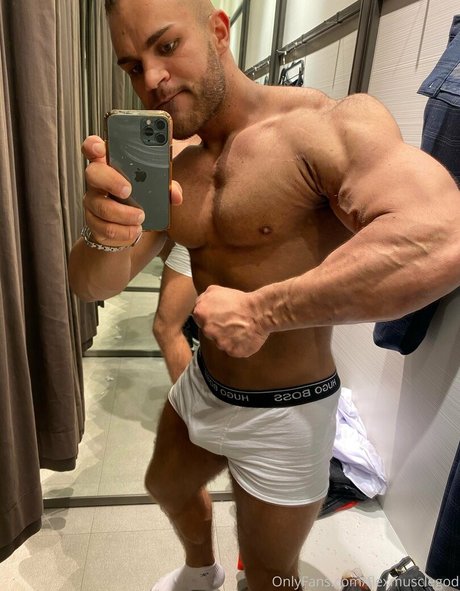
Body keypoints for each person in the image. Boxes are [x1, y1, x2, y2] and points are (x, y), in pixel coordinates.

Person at [68, 1, 460, 590]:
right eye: (132, 65)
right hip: (203, 384)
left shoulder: (324, 127)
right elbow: (93, 284)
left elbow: (441, 235)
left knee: (271, 575)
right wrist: (103, 234)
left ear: (217, 31)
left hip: (288, 411)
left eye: (166, 46)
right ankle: (202, 571)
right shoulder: (173, 162)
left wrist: (265, 310)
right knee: (164, 485)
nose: (152, 79)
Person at [153, 137, 199, 383]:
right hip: (183, 235)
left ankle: (193, 403)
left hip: (195, 235)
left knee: (166, 328)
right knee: (173, 326)